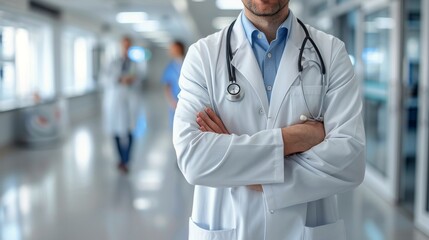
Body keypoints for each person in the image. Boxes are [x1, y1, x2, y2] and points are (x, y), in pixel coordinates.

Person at [173, 1, 365, 240]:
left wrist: (248, 174)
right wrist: (296, 139)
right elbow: (195, 159)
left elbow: (350, 162)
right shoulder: (203, 56)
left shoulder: (331, 53)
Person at [103, 36, 141, 174]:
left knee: (130, 130)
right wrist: (119, 79)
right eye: (124, 45)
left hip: (130, 101)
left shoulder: (135, 64)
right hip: (115, 101)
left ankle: (126, 160)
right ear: (120, 46)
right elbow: (105, 79)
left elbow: (139, 80)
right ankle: (121, 159)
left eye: (128, 45)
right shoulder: (112, 63)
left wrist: (131, 80)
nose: (126, 48)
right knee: (115, 130)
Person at [161, 40, 186, 127]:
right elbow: (167, 87)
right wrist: (172, 102)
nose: (171, 51)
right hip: (175, 102)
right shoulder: (170, 67)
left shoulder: (188, 63)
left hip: (188, 101)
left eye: (173, 48)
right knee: (176, 126)